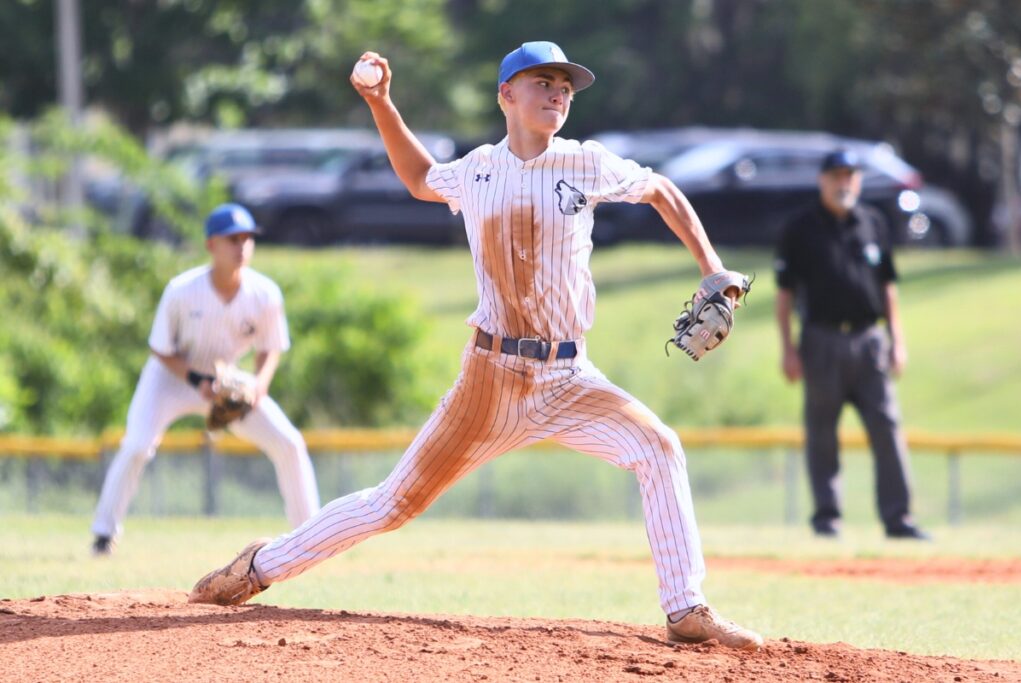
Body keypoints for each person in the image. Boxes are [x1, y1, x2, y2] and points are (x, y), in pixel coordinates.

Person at [188, 42, 763, 651]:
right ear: (506, 96)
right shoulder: (477, 171)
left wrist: (713, 269)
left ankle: (686, 608)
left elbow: (660, 190)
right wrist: (381, 101)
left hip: (570, 378)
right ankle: (258, 566)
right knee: (392, 505)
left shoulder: (586, 164)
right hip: (490, 380)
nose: (559, 93)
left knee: (659, 448)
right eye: (544, 82)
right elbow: (416, 178)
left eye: (566, 86)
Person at [90, 203, 320, 554]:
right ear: (211, 245)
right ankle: (104, 533)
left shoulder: (264, 293)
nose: (242, 246)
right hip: (170, 378)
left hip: (229, 381)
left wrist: (259, 384)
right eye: (232, 239)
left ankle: (312, 538)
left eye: (247, 238)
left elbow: (271, 347)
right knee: (137, 446)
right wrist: (196, 380)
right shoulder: (181, 290)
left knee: (289, 443)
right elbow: (161, 349)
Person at [774, 149, 929, 540]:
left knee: (887, 426)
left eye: (850, 176)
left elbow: (888, 288)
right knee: (823, 432)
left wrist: (898, 340)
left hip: (869, 339)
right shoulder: (800, 227)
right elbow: (784, 295)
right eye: (836, 176)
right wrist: (788, 349)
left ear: (858, 181)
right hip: (821, 339)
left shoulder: (873, 222)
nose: (844, 183)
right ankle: (827, 517)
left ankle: (899, 518)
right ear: (822, 180)